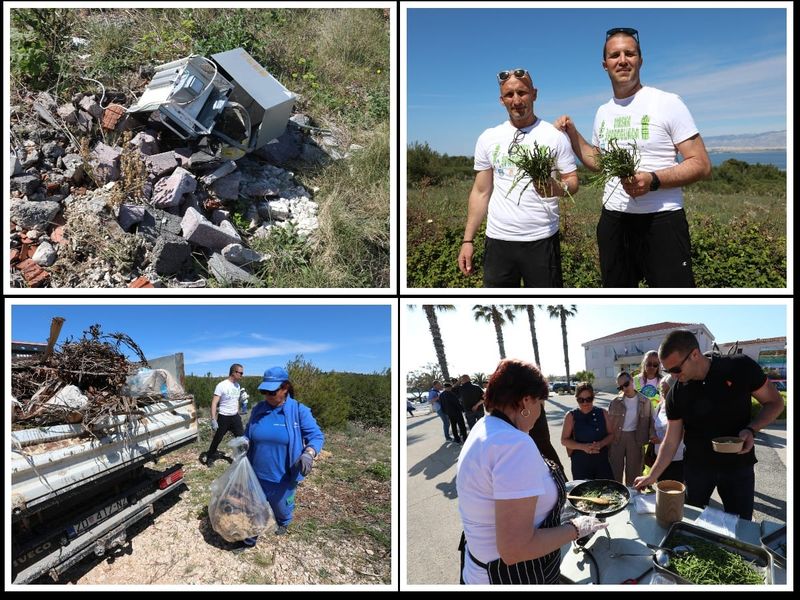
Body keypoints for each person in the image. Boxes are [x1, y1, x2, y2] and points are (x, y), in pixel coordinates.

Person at [555, 27, 711, 287]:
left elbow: (701, 164)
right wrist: (573, 134)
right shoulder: (603, 112)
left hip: (661, 221)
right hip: (613, 221)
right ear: (605, 65)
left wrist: (653, 180)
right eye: (615, 55)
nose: (623, 60)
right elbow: (599, 163)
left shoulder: (667, 102)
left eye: (630, 53)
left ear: (641, 60)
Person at [456, 359, 606, 584]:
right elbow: (515, 549)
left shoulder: (485, 427)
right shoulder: (514, 443)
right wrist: (576, 528)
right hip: (512, 575)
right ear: (526, 401)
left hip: (479, 567)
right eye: (541, 404)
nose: (539, 413)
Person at [634, 330, 784, 520]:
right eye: (668, 371)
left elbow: (775, 402)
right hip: (697, 469)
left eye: (676, 369)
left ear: (695, 355)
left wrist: (751, 429)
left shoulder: (739, 367)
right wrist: (652, 476)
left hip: (737, 467)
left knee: (740, 525)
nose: (673, 376)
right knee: (692, 522)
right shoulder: (677, 392)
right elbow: (671, 441)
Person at [457, 68, 579, 287]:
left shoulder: (554, 137)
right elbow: (481, 191)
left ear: (534, 94)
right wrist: (468, 240)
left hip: (542, 240)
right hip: (498, 242)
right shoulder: (489, 138)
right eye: (509, 95)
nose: (516, 100)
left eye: (522, 93)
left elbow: (573, 181)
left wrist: (556, 188)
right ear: (501, 100)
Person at [241, 366, 324, 545]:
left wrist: (309, 453)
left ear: (285, 388)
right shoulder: (258, 409)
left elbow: (316, 436)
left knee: (282, 508)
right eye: (264, 391)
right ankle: (249, 540)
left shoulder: (299, 411)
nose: (267, 396)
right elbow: (249, 432)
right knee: (253, 510)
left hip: (284, 477)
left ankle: (284, 522)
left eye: (271, 391)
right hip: (256, 474)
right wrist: (244, 442)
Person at [607, 371, 654, 485]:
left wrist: (652, 437)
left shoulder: (645, 401)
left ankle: (633, 497)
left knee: (634, 471)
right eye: (620, 387)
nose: (624, 388)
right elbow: (608, 424)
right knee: (615, 470)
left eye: (626, 384)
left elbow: (651, 422)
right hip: (617, 439)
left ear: (632, 381)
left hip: (636, 438)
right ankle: (616, 495)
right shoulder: (615, 402)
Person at [560, 383, 614, 480]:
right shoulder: (571, 416)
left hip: (601, 461)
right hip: (581, 463)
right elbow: (564, 440)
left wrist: (601, 444)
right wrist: (583, 447)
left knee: (605, 491)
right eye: (581, 400)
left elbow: (611, 435)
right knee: (584, 493)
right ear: (576, 399)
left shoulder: (603, 413)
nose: (585, 403)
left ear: (593, 397)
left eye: (588, 399)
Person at [200, 363, 246, 466]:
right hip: (224, 417)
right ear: (234, 372)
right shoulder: (221, 385)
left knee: (241, 439)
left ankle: (243, 460)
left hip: (235, 417)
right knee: (218, 438)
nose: (242, 375)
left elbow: (236, 400)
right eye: (240, 373)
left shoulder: (237, 385)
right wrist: (213, 419)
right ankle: (210, 457)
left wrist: (237, 413)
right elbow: (214, 402)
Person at [651, 374, 685, 483]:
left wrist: (660, 441)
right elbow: (654, 424)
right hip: (659, 456)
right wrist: (653, 435)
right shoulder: (660, 406)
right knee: (662, 488)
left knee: (675, 491)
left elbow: (682, 434)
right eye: (662, 390)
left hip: (677, 458)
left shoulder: (682, 407)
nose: (664, 394)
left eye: (667, 391)